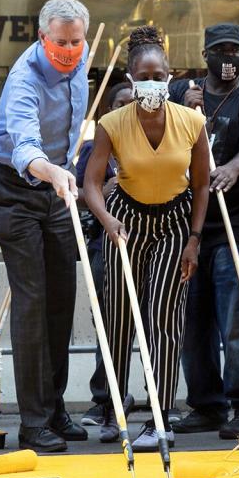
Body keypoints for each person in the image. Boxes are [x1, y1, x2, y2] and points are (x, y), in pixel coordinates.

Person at [83, 25, 209, 450]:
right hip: (125, 221)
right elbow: (92, 184)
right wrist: (106, 220)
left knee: (163, 321)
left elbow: (203, 184)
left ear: (170, 76)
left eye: (160, 75)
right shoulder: (112, 122)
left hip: (174, 223)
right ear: (131, 78)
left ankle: (160, 417)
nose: (152, 82)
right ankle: (114, 409)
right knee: (119, 319)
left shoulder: (192, 121)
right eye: (144, 76)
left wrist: (194, 238)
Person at [0, 0, 91, 453]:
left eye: (75, 41)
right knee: (31, 300)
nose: (69, 50)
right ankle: (32, 421)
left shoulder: (82, 59)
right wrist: (55, 172)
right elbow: (25, 144)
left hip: (57, 186)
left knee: (61, 299)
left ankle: (54, 405)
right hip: (15, 185)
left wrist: (65, 171)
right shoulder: (23, 78)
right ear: (42, 37)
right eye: (60, 42)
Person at [168, 23, 239, 440]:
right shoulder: (181, 93)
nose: (227, 57)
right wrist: (181, 104)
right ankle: (206, 403)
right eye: (219, 50)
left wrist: (233, 167)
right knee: (193, 320)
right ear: (206, 54)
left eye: (235, 50)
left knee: (238, 317)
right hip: (189, 226)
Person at [76, 81, 137, 438]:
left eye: (132, 102)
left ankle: (157, 403)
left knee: (149, 325)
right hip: (107, 246)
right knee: (111, 325)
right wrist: (102, 192)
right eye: (120, 102)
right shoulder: (95, 147)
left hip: (150, 242)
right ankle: (106, 400)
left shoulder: (153, 140)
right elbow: (84, 190)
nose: (127, 107)